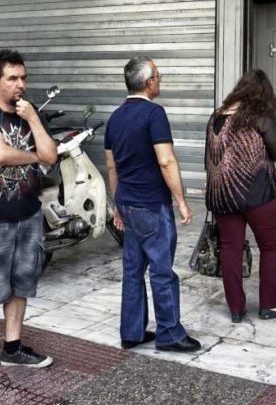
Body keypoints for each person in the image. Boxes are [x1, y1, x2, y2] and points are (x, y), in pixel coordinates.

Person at [0, 49, 57, 368]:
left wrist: (33, 118)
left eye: (23, 78)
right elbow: (2, 154)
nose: (20, 84)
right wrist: (36, 157)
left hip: (28, 213)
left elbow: (52, 154)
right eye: (12, 79)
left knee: (22, 282)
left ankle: (13, 346)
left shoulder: (32, 113)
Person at [105, 57, 201, 352]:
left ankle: (131, 333)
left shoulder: (116, 117)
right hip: (151, 204)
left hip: (129, 205)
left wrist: (117, 205)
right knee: (161, 270)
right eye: (158, 76)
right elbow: (166, 159)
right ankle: (170, 334)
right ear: (149, 83)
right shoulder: (154, 114)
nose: (160, 80)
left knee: (133, 270)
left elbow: (111, 167)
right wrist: (182, 201)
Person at [204, 69, 276, 323]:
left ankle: (236, 309)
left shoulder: (216, 116)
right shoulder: (260, 117)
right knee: (271, 247)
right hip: (259, 195)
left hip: (222, 196)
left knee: (230, 249)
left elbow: (209, 156)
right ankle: (269, 305)